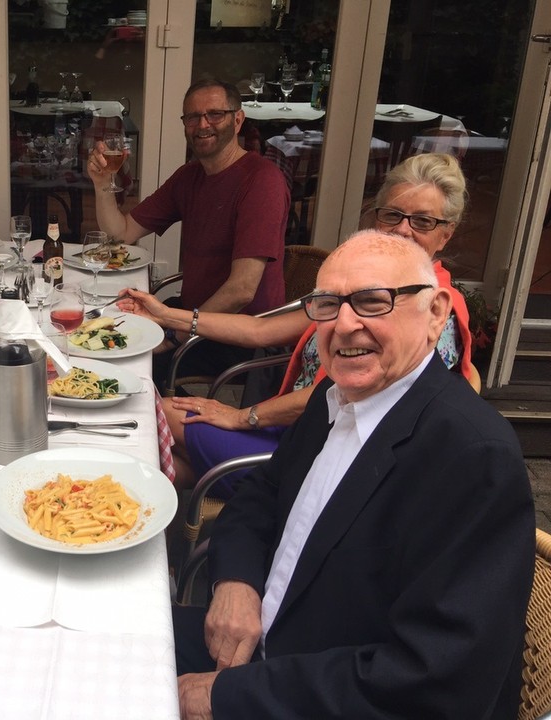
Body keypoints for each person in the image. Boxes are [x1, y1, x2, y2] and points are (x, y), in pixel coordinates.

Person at [173, 230, 534, 719]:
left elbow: (436, 681)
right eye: (327, 304)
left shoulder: (473, 457)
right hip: (267, 649)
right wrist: (236, 583)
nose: (343, 324)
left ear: (435, 313)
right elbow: (260, 495)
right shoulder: (336, 399)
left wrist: (229, 697)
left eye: (371, 301)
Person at [118, 152, 474, 492]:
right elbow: (260, 330)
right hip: (292, 431)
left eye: (423, 221)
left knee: (154, 417)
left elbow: (346, 397)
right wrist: (165, 315)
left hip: (329, 460)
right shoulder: (357, 288)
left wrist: (243, 417)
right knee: (160, 454)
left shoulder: (430, 312)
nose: (403, 230)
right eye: (393, 215)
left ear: (447, 233)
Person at [86, 78, 289, 385]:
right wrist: (102, 185)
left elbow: (242, 290)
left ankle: (165, 429)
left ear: (238, 119)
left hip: (240, 338)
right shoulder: (190, 176)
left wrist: (177, 333)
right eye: (192, 117)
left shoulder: (261, 181)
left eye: (215, 114)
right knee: (105, 330)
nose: (202, 124)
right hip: (194, 314)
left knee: (127, 364)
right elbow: (122, 234)